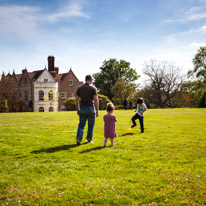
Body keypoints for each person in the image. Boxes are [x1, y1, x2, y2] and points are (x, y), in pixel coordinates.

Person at [76, 75, 99, 145]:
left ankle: (79, 139)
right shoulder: (93, 88)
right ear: (90, 79)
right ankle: (89, 139)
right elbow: (96, 99)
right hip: (90, 108)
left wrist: (77, 109)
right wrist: (97, 110)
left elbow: (76, 99)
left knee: (81, 125)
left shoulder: (79, 88)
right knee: (91, 125)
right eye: (92, 79)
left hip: (82, 108)